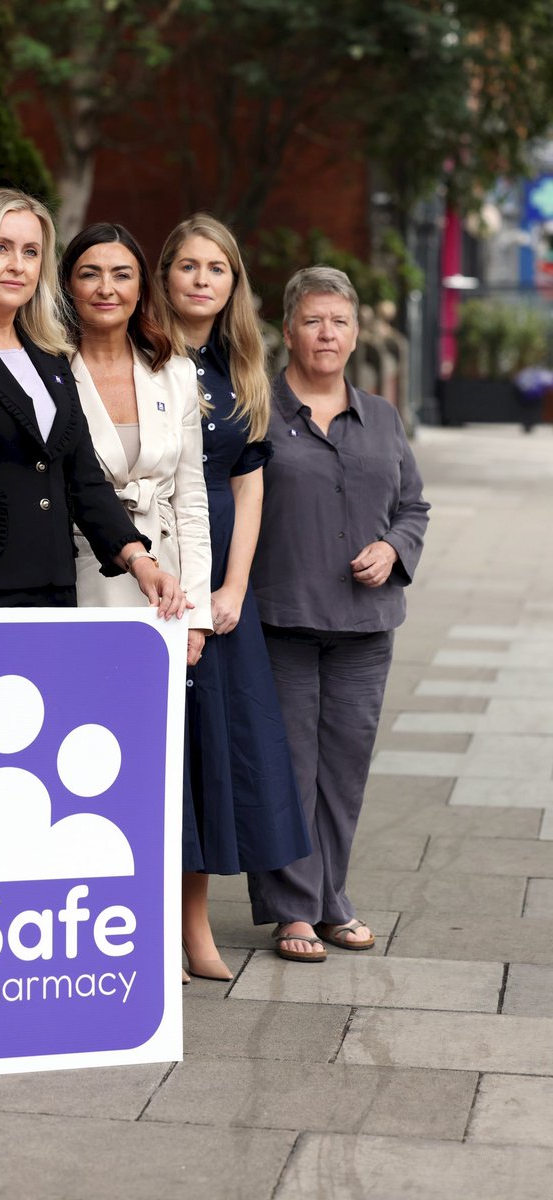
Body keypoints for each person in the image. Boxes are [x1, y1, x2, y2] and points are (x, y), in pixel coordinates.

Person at [0, 189, 188, 622]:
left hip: (55, 586)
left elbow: (83, 480)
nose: (17, 265)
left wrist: (140, 561)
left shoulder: (50, 357)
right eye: (0, 248)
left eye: (31, 252)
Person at [248, 266, 430, 961]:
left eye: (341, 322)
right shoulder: (257, 409)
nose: (328, 333)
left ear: (356, 335)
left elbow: (414, 504)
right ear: (288, 330)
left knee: (344, 772)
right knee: (290, 769)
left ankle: (332, 899)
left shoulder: (381, 416)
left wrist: (392, 546)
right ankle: (293, 909)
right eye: (314, 320)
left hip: (364, 627)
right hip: (282, 619)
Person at [154, 214, 311, 977]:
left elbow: (249, 486)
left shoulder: (238, 363)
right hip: (150, 568)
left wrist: (234, 588)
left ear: (233, 283)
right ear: (167, 274)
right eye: (188, 265)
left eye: (217, 268)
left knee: (218, 755)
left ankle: (195, 926)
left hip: (220, 581)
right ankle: (144, 923)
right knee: (161, 753)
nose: (202, 279)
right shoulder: (139, 355)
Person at [60, 222, 216, 982]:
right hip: (80, 578)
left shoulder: (174, 371)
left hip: (160, 592)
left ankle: (151, 928)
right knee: (86, 763)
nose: (106, 288)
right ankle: (87, 921)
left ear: (139, 287)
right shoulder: (47, 368)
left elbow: (191, 501)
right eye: (90, 273)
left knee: (152, 767)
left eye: (121, 274)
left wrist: (195, 614)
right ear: (69, 285)